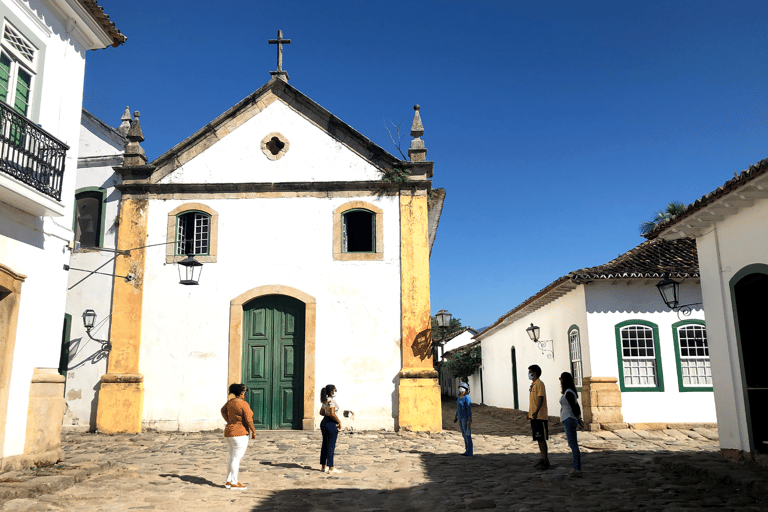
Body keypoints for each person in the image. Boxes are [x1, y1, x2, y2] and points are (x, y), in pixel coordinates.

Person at [220, 383, 256, 489]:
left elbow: (222, 411)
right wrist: (253, 431)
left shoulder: (230, 402)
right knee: (236, 459)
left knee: (232, 457)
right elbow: (249, 419)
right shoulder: (243, 404)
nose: (246, 393)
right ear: (241, 392)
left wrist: (229, 421)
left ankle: (228, 480)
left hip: (229, 432)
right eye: (245, 391)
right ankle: (235, 483)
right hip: (240, 433)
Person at [560, 372, 584, 477]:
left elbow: (575, 407)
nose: (560, 381)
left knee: (573, 445)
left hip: (569, 419)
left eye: (561, 379)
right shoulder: (568, 392)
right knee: (572, 444)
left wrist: (579, 419)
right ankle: (576, 467)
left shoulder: (569, 393)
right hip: (568, 419)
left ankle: (577, 468)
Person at [528, 364, 549, 469]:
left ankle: (545, 460)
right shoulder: (534, 384)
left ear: (534, 373)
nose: (529, 374)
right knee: (538, 439)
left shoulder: (539, 384)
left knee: (541, 438)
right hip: (534, 416)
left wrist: (536, 412)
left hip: (539, 416)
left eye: (530, 372)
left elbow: (540, 399)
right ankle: (542, 458)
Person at [319, 384, 342, 474]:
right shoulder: (332, 401)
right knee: (331, 445)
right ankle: (331, 468)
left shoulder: (324, 401)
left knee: (325, 444)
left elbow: (321, 412)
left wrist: (327, 414)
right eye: (335, 390)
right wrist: (339, 421)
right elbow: (332, 413)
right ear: (332, 391)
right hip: (331, 423)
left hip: (324, 422)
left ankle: (323, 466)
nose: (335, 392)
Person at [453, 381, 473, 456]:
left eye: (463, 388)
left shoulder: (467, 397)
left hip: (466, 418)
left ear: (466, 389)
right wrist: (456, 416)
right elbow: (458, 408)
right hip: (460, 417)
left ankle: (470, 452)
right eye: (461, 388)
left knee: (467, 434)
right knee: (464, 435)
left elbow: (469, 409)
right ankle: (466, 450)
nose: (461, 389)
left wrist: (469, 420)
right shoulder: (459, 397)